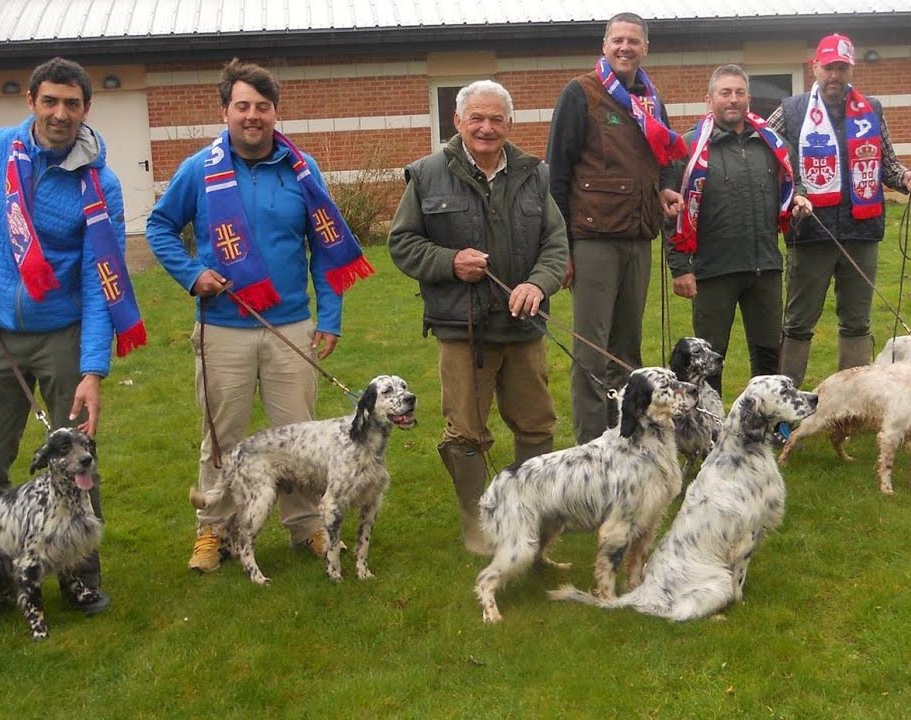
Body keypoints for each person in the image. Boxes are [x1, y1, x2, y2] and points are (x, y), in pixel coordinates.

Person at [147, 59, 373, 572]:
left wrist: (330, 317)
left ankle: (307, 527)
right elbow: (160, 227)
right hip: (223, 327)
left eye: (263, 107)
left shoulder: (301, 169)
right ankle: (214, 531)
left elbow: (327, 249)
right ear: (225, 110)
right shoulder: (198, 170)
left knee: (299, 437)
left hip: (290, 325)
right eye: (242, 106)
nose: (252, 116)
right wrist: (191, 274)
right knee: (223, 436)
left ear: (275, 112)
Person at [0, 56, 146, 616]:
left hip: (63, 334)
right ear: (31, 101)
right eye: (50, 101)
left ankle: (80, 578)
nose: (60, 113)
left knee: (79, 462)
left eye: (72, 104)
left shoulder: (99, 184)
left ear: (87, 109)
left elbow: (101, 281)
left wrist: (92, 371)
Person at [388, 80, 568, 555]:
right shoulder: (427, 175)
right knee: (466, 432)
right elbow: (401, 243)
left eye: (496, 119)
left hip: (524, 327)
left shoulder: (534, 174)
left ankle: (531, 522)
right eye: (477, 118)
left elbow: (556, 244)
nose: (486, 128)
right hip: (461, 329)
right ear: (458, 121)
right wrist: (450, 262)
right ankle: (479, 526)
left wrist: (538, 285)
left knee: (536, 426)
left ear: (509, 123)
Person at [546, 11, 686, 445]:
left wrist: (666, 187)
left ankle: (624, 439)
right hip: (593, 241)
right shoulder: (580, 93)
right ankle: (591, 447)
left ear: (645, 48)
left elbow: (665, 156)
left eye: (634, 41)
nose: (625, 47)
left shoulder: (651, 98)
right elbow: (557, 174)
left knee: (627, 350)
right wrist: (562, 249)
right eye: (618, 40)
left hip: (638, 238)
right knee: (592, 350)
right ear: (604, 46)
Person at [767, 34, 911, 388]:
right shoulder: (790, 110)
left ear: (850, 69)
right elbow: (765, 152)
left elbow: (887, 164)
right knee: (798, 323)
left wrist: (905, 177)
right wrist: (795, 192)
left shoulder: (871, 109)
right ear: (815, 67)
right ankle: (784, 399)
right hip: (810, 232)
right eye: (828, 68)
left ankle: (852, 399)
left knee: (857, 322)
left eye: (841, 68)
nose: (834, 75)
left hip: (862, 233)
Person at [665, 65, 812, 397]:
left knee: (768, 356)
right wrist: (680, 268)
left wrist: (799, 197)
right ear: (709, 100)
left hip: (765, 268)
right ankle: (709, 422)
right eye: (725, 93)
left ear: (749, 98)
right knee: (708, 360)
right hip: (713, 272)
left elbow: (794, 181)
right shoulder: (688, 147)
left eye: (739, 93)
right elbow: (671, 212)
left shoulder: (773, 144)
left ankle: (767, 421)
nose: (733, 99)